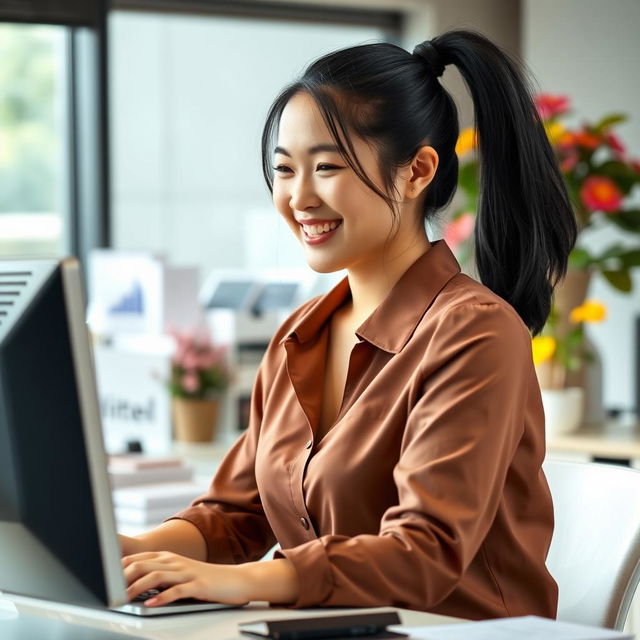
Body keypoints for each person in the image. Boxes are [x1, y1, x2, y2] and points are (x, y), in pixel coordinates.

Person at [119, 29, 576, 619]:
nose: (299, 197)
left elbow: (424, 552)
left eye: (327, 167)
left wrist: (240, 583)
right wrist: (128, 553)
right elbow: (239, 515)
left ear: (416, 173)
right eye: (284, 170)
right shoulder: (299, 333)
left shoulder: (476, 332)